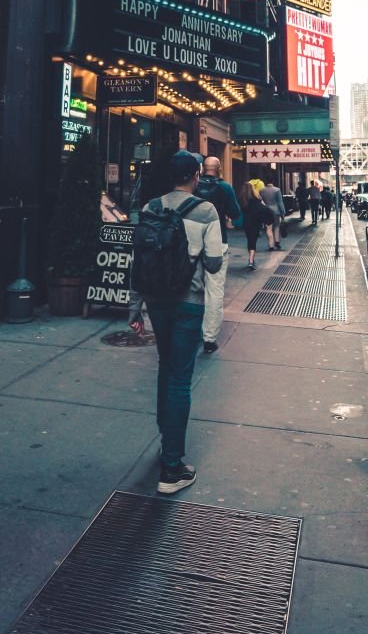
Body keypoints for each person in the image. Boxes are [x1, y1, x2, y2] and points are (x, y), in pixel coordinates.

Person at [139, 150, 222, 495]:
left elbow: (139, 258)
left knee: (165, 367)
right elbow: (214, 263)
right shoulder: (206, 210)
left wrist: (134, 308)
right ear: (196, 176)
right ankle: (172, 468)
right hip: (188, 302)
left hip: (155, 300)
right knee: (179, 379)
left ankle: (166, 439)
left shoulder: (150, 208)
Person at [195, 156, 241, 355]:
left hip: (193, 241)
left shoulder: (194, 186)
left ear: (202, 169)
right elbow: (235, 213)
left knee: (193, 287)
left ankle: (193, 330)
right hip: (217, 241)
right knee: (214, 290)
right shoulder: (225, 188)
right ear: (219, 168)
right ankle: (209, 338)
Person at [237, 179, 275, 269]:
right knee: (253, 241)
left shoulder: (242, 201)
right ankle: (251, 261)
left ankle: (251, 259)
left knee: (250, 240)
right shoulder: (256, 200)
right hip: (256, 224)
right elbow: (265, 209)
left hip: (246, 224)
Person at [258, 174, 286, 252]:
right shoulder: (277, 190)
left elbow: (260, 201)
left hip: (266, 211)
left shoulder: (261, 190)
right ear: (273, 181)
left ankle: (271, 245)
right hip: (276, 211)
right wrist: (283, 212)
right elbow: (280, 202)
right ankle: (277, 242)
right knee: (276, 226)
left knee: (268, 228)